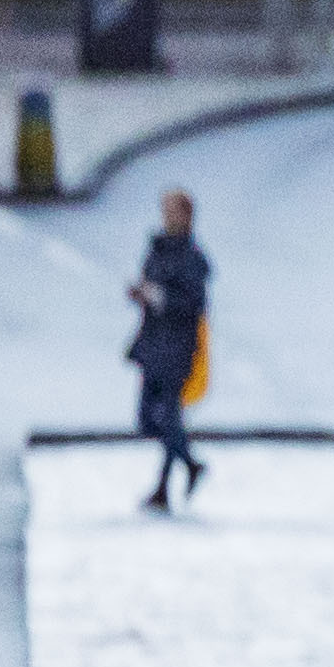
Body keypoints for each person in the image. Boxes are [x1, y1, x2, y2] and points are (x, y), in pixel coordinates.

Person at [127, 189, 210, 513]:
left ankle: (165, 486)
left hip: (177, 346)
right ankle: (188, 465)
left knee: (168, 415)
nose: (167, 216)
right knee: (152, 418)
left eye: (173, 211)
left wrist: (159, 297)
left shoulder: (192, 258)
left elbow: (193, 304)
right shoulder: (158, 250)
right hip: (153, 343)